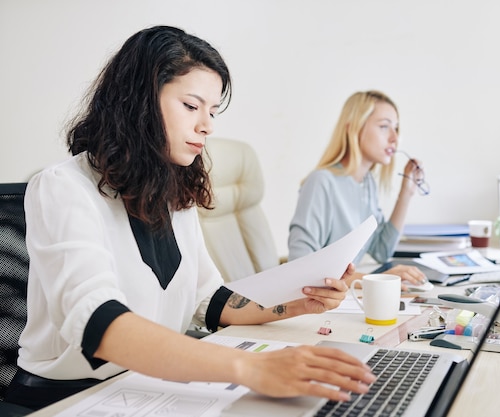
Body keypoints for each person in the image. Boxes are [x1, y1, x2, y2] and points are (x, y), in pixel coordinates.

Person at [5, 26, 375, 411]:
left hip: (144, 385)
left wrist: (301, 302)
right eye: (191, 106)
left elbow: (211, 301)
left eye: (212, 111)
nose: (207, 125)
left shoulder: (173, 191)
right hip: (65, 399)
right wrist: (250, 367)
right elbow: (100, 326)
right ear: (140, 101)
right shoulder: (63, 188)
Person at [288, 90, 427, 289]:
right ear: (354, 128)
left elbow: (381, 250)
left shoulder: (367, 183)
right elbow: (300, 268)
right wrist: (376, 281)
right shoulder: (321, 182)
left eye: (396, 128)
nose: (395, 138)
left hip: (343, 299)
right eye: (384, 126)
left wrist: (406, 193)